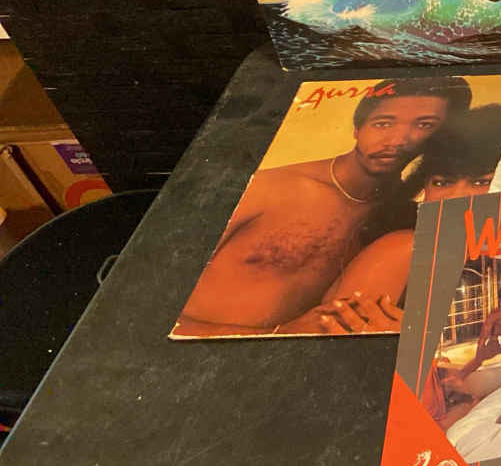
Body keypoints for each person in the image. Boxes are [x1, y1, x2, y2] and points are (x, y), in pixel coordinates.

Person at [174, 76, 471, 336]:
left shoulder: (403, 221)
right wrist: (279, 334)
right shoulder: (266, 188)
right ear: (357, 128)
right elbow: (155, 308)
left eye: (424, 125)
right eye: (383, 123)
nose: (398, 139)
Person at [309, 103, 501, 334]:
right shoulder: (405, 250)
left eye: (482, 182)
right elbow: (322, 340)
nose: (455, 197)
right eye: (442, 183)